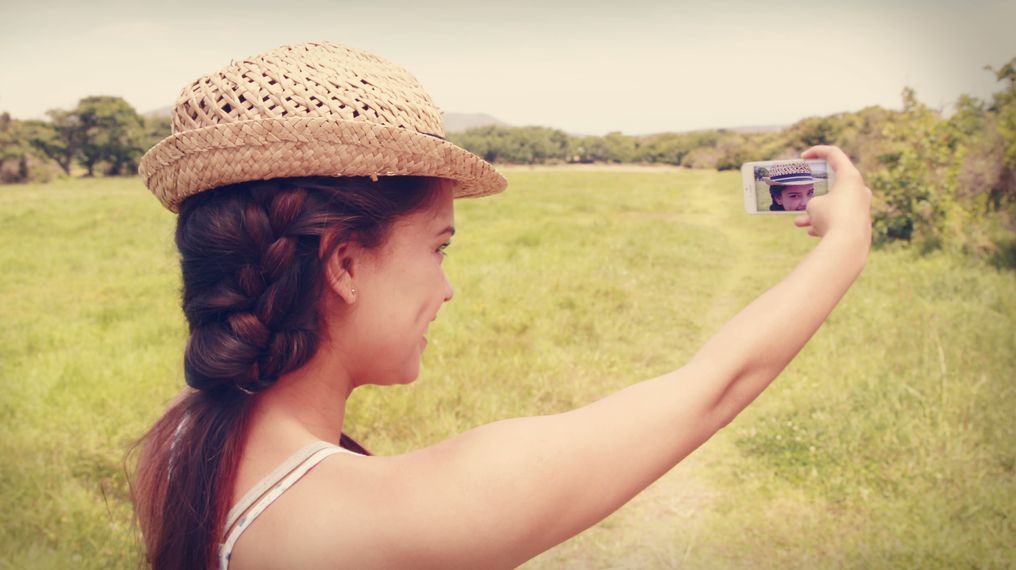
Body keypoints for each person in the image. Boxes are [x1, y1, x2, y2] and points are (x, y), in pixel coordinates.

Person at [131, 42, 872, 569]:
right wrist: (846, 243)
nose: (447, 288)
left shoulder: (178, 441)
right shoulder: (388, 521)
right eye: (439, 248)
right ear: (347, 264)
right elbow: (715, 389)